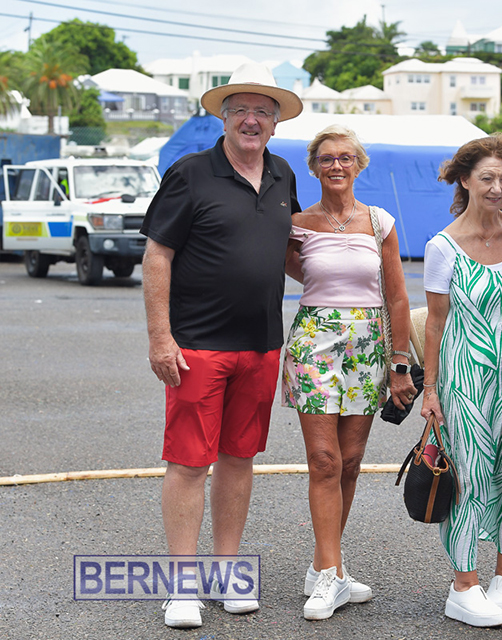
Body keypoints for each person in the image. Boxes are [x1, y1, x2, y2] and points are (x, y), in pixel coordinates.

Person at [140, 62, 303, 629]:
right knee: (189, 462)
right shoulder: (190, 173)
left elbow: (290, 252)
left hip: (261, 346)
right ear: (224, 118)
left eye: (263, 111)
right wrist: (161, 337)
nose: (252, 120)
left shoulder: (283, 175)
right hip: (198, 346)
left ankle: (226, 571)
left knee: (239, 459)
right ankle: (181, 587)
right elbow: (157, 255)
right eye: (241, 111)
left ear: (276, 123)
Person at [282, 124, 416, 621]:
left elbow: (398, 295)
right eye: (326, 159)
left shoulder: (379, 222)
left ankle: (327, 567)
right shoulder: (295, 223)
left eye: (345, 158)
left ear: (359, 165)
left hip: (368, 345)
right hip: (314, 344)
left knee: (352, 460)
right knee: (323, 459)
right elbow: (297, 270)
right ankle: (330, 572)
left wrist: (400, 364)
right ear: (313, 167)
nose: (335, 166)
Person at [420, 133, 502, 628]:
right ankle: (463, 585)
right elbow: (434, 322)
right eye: (487, 178)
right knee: (469, 477)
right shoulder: (442, 246)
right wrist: (429, 389)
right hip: (465, 379)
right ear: (465, 180)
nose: (496, 188)